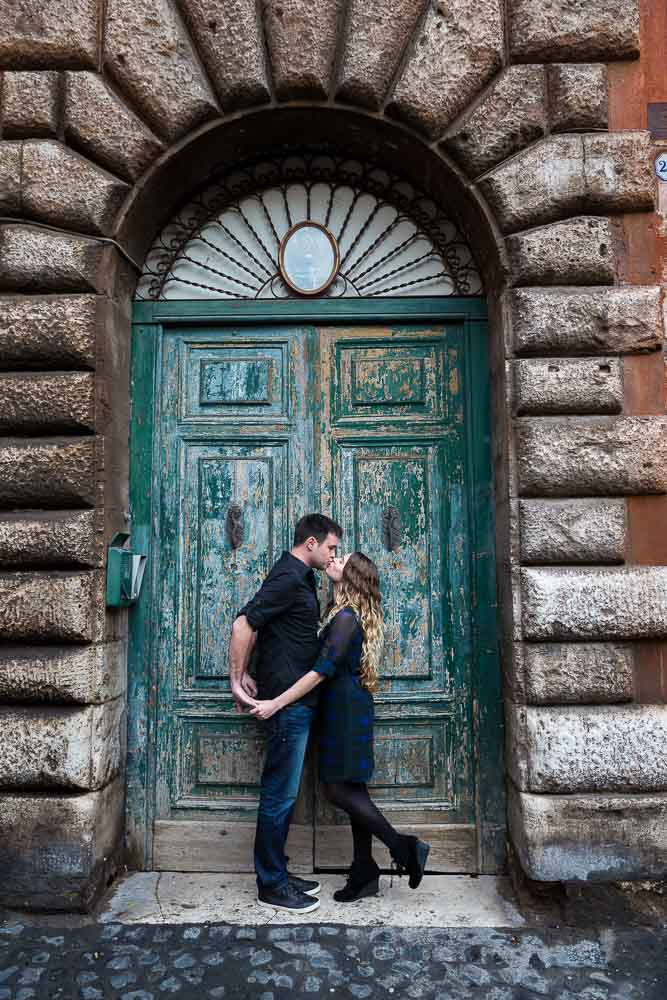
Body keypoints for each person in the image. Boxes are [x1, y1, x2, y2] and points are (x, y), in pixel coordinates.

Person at [250, 551, 431, 903]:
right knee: (353, 791)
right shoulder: (341, 612)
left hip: (345, 712)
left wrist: (277, 702)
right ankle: (364, 871)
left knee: (338, 790)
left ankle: (404, 847)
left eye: (342, 560)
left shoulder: (346, 617)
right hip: (346, 707)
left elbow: (321, 671)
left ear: (352, 576)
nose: (333, 559)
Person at [228, 513, 342, 914]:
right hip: (285, 704)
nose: (333, 556)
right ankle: (271, 884)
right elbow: (245, 623)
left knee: (285, 795)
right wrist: (236, 679)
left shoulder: (303, 577)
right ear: (310, 543)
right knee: (279, 796)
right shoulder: (289, 576)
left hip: (297, 702)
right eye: (330, 548)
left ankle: (278, 872)